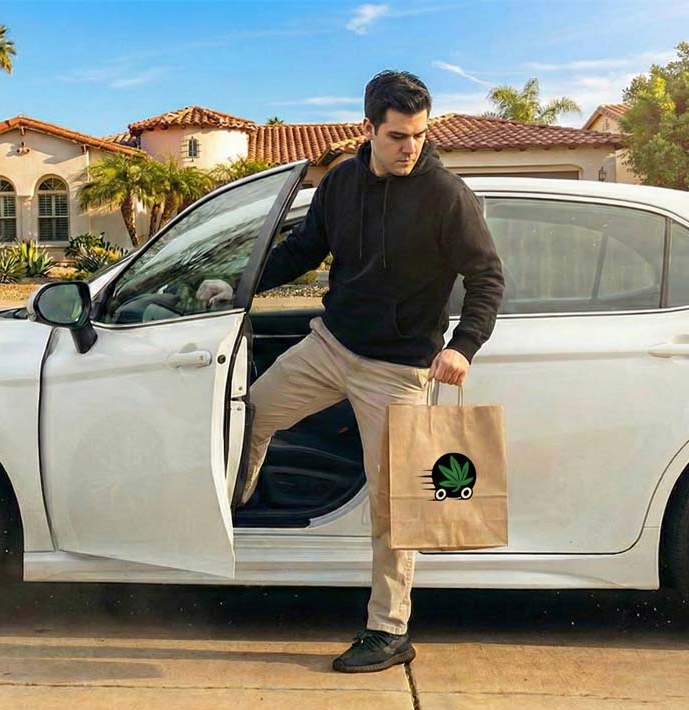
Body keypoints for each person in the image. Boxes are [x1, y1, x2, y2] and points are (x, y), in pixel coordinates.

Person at [198, 70, 504, 673]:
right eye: (396, 136)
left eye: (417, 135)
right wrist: (239, 284)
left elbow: (486, 278)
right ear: (369, 129)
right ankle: (235, 503)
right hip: (330, 347)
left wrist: (464, 345)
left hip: (399, 371)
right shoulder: (341, 183)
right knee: (249, 411)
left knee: (395, 507)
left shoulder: (446, 195)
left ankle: (389, 631)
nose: (410, 147)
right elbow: (303, 250)